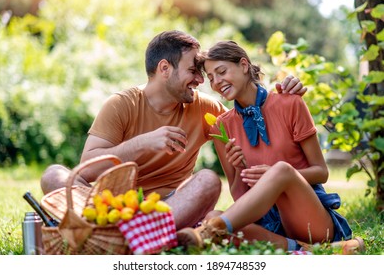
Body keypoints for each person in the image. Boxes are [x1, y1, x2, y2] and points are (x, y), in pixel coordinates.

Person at [40, 31, 306, 230]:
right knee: (54, 175)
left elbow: (248, 112)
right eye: (193, 70)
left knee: (208, 181)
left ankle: (116, 231)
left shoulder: (205, 109)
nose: (202, 81)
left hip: (169, 205)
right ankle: (133, 230)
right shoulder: (121, 105)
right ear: (164, 69)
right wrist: (144, 143)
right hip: (112, 203)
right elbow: (86, 168)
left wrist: (284, 93)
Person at [177, 40, 365, 254]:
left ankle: (210, 232)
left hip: (308, 218)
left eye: (221, 72)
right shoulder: (222, 126)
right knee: (212, 216)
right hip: (268, 226)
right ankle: (306, 250)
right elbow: (240, 197)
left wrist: (275, 177)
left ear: (244, 65)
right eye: (211, 78)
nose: (217, 82)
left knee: (281, 170)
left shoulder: (289, 103)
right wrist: (238, 167)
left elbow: (321, 172)